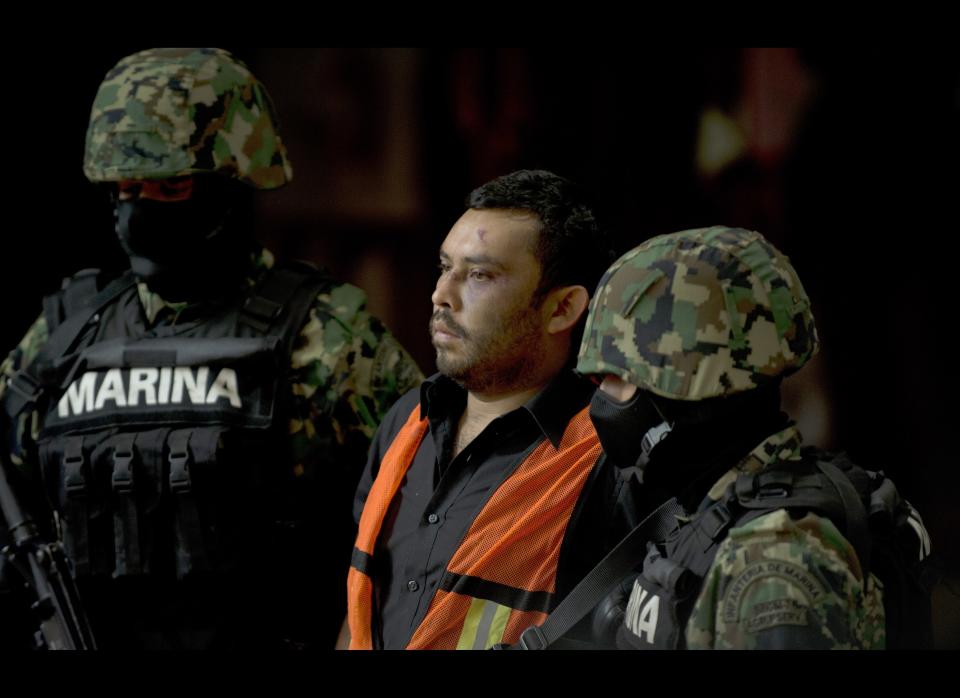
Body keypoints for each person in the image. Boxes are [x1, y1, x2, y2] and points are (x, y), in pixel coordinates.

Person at [0, 47, 423, 650]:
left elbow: (429, 516)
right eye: (125, 187)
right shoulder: (65, 335)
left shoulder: (327, 338)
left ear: (233, 183)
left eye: (169, 188)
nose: (138, 209)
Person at [575, 225, 932, 649]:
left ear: (687, 392)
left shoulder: (773, 562)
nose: (601, 397)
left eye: (617, 378)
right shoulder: (717, 510)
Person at [343, 169, 631, 650]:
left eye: (479, 275)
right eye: (444, 267)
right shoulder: (407, 421)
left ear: (561, 309)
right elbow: (360, 610)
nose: (442, 295)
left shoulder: (606, 459)